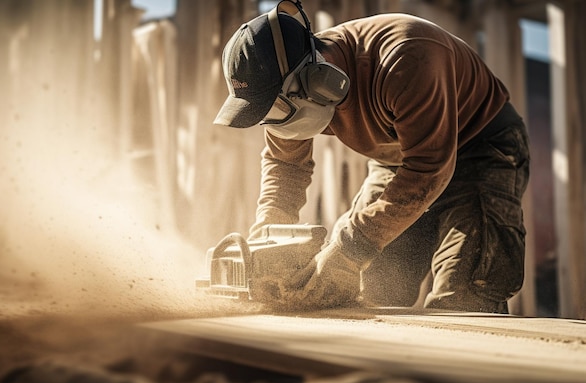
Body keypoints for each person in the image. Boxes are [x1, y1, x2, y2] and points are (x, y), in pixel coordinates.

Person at [214, 0, 530, 313]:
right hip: (400, 160)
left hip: (480, 147)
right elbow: (285, 168)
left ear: (318, 79)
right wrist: (268, 239)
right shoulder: (283, 96)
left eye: (277, 108)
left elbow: (428, 170)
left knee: (463, 298)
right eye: (265, 115)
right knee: (372, 287)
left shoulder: (406, 57)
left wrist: (351, 244)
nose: (275, 121)